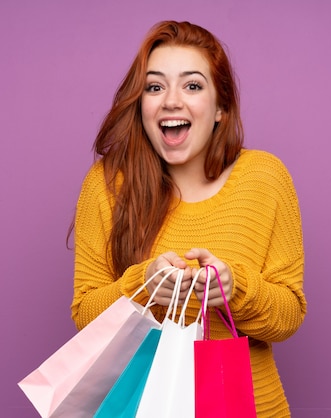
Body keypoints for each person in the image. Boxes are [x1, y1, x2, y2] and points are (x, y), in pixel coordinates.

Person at [70, 20, 306, 417]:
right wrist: (145, 284)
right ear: (140, 102)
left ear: (220, 108)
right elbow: (86, 316)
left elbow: (289, 315)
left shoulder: (265, 177)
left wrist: (237, 290)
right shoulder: (106, 184)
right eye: (155, 86)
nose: (171, 101)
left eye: (192, 86)